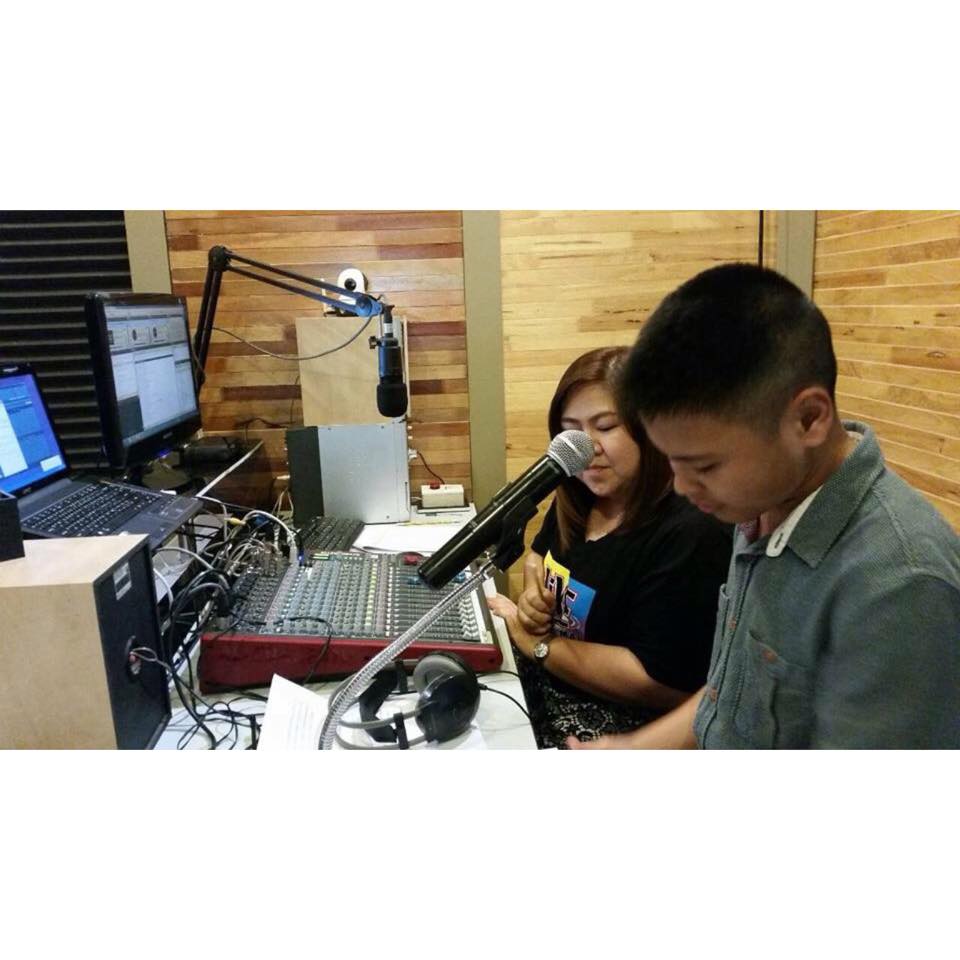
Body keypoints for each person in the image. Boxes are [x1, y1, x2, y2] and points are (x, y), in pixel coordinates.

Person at [568, 263, 960, 749]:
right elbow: (731, 692)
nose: (684, 487)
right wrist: (632, 749)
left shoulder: (900, 586)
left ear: (808, 419)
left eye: (705, 465)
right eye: (671, 460)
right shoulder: (761, 503)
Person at [487, 346, 732, 748]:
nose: (587, 446)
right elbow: (537, 557)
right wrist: (533, 596)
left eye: (605, 426)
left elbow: (661, 681)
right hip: (555, 680)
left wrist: (541, 646)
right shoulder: (581, 494)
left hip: (630, 727)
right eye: (571, 430)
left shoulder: (691, 532)